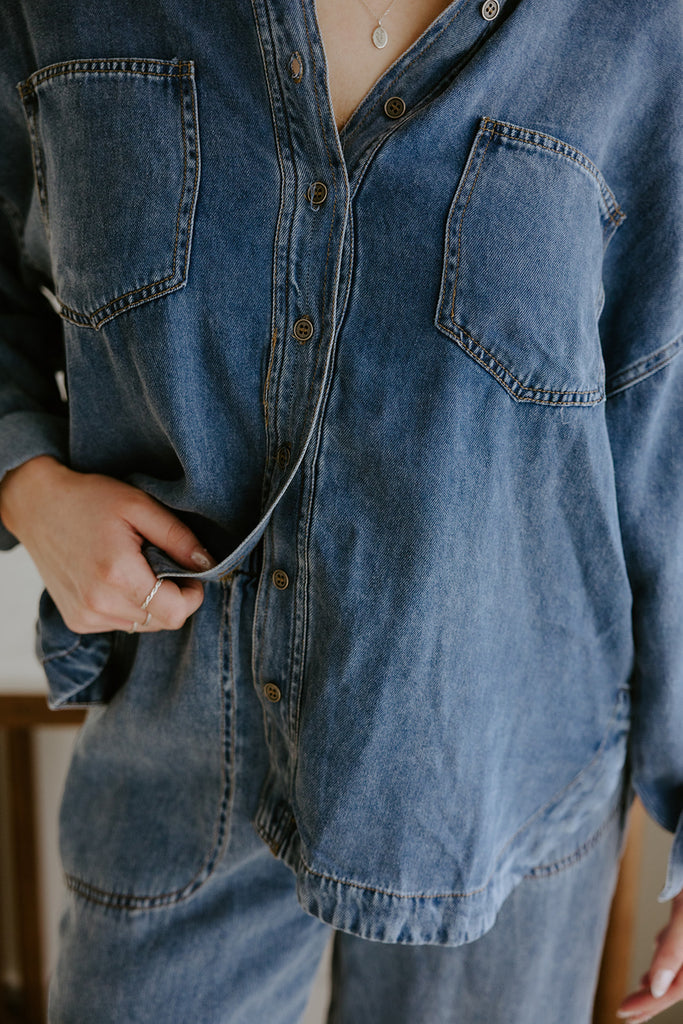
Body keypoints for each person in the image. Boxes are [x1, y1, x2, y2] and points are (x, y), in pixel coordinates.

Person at [0, 0, 681, 1021]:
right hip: (177, 758)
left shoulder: (634, 29)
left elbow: (666, 422)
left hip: (498, 772)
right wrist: (26, 480)